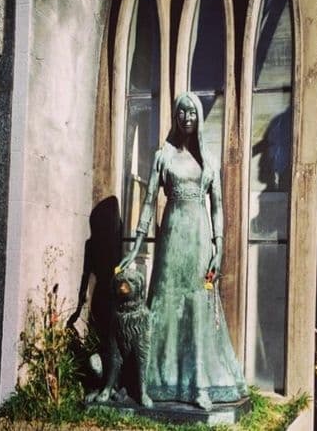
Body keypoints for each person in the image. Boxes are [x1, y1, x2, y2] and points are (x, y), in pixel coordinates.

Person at [117, 91, 247, 410]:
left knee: (198, 304)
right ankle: (155, 380)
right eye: (181, 112)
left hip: (200, 238)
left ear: (199, 117)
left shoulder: (209, 160)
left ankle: (199, 383)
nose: (187, 117)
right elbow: (148, 203)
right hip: (171, 236)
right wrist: (135, 248)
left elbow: (217, 207)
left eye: (192, 112)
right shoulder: (163, 156)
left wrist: (219, 246)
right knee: (164, 301)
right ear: (175, 117)